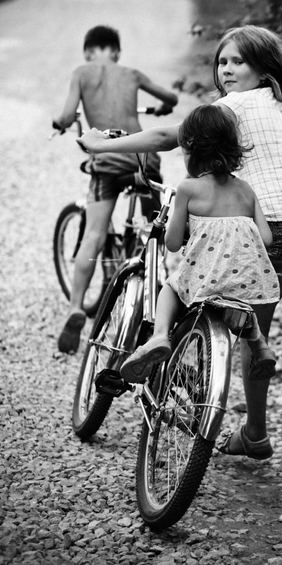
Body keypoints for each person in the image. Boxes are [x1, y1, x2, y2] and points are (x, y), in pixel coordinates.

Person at [79, 24, 282, 495]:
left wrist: (101, 145)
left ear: (264, 69)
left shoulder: (230, 108)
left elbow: (168, 135)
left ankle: (256, 434)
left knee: (250, 332)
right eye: (222, 61)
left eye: (238, 61)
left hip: (277, 230)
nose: (226, 70)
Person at [119, 103, 279, 385]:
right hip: (246, 282)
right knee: (239, 303)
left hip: (205, 282)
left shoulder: (188, 188)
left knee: (171, 286)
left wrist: (194, 231)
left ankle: (159, 336)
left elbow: (171, 243)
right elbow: (266, 239)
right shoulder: (246, 190)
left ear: (192, 150)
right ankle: (260, 346)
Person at [53, 25, 178, 355]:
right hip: (142, 158)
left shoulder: (82, 73)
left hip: (107, 160)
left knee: (94, 234)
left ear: (88, 51)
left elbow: (66, 115)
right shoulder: (131, 73)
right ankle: (153, 292)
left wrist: (60, 123)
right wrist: (162, 109)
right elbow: (171, 98)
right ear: (117, 52)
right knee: (153, 232)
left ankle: (76, 307)